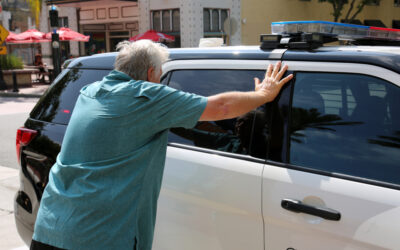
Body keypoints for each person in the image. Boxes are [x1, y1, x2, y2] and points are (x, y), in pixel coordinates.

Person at [30, 40, 293, 250]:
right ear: (150, 73)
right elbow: (221, 107)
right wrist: (263, 95)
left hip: (50, 227)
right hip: (97, 239)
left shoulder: (91, 91)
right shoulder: (147, 96)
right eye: (159, 76)